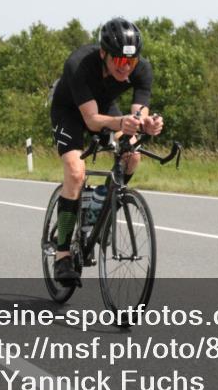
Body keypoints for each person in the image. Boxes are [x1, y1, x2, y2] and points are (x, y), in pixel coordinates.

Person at [48, 18, 164, 284]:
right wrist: (123, 122)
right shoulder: (79, 64)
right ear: (104, 54)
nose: (127, 69)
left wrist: (145, 123)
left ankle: (102, 207)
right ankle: (63, 254)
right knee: (76, 172)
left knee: (132, 154)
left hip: (104, 108)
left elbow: (137, 112)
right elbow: (90, 120)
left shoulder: (141, 69)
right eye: (120, 62)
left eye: (131, 63)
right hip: (70, 112)